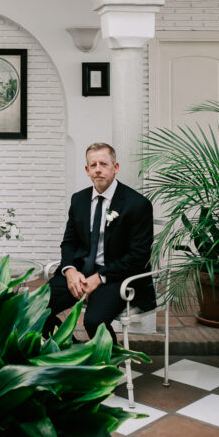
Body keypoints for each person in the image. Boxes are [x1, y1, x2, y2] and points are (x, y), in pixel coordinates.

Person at [45, 142, 155, 342]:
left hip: (117, 277)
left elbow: (138, 256)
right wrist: (69, 271)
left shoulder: (137, 205)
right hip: (80, 273)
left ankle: (111, 365)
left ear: (116, 167)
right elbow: (68, 242)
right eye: (93, 165)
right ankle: (67, 349)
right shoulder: (79, 200)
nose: (98, 169)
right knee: (35, 306)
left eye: (103, 164)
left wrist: (100, 277)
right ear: (87, 170)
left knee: (94, 320)